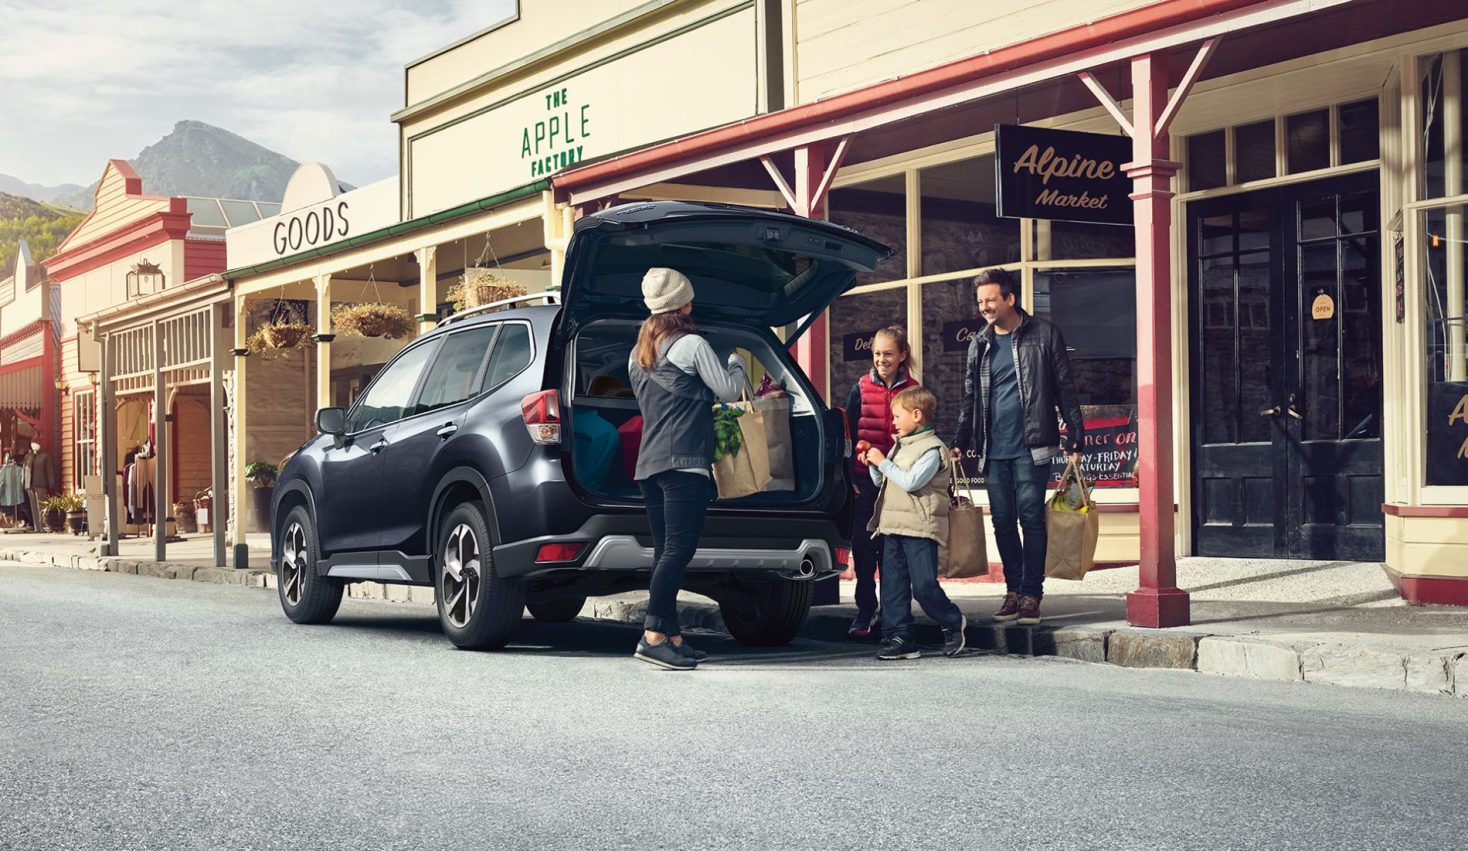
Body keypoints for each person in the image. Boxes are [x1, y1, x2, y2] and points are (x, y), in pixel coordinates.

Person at [627, 267, 747, 670]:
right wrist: (735, 362)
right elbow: (729, 392)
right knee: (678, 551)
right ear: (686, 304)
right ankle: (652, 637)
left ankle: (673, 636)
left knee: (666, 551)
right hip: (685, 465)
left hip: (650, 465)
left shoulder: (637, 353)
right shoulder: (691, 344)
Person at [951, 268, 1083, 625]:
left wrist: (1076, 432)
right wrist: (961, 439)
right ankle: (1012, 592)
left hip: (1033, 445)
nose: (984, 307)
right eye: (980, 302)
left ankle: (1031, 595)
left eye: (991, 300)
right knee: (1004, 523)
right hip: (993, 448)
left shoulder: (1044, 335)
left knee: (1031, 518)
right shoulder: (979, 343)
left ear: (1010, 298)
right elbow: (969, 396)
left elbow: (1064, 388)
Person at [861, 386, 967, 660]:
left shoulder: (932, 449)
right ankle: (899, 637)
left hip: (920, 528)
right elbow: (885, 482)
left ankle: (952, 620)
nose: (893, 422)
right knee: (893, 585)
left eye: (897, 416)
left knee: (923, 586)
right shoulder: (900, 446)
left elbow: (911, 482)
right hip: (892, 524)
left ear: (917, 415)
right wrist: (875, 466)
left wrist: (883, 462)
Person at [842, 326, 919, 638]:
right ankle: (865, 608)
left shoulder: (913, 390)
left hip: (899, 484)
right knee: (863, 549)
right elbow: (848, 435)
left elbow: (923, 436)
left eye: (888, 354)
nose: (881, 359)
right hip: (865, 481)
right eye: (877, 354)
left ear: (902, 356)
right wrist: (849, 476)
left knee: (892, 552)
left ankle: (892, 611)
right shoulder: (860, 387)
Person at [24, 440, 57, 533]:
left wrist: (51, 483)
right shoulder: (28, 456)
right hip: (29, 484)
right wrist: (24, 483)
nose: (34, 445)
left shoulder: (45, 456)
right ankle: (36, 527)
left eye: (36, 443)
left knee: (41, 506)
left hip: (41, 484)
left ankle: (43, 526)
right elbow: (25, 469)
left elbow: (49, 470)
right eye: (32, 443)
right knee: (33, 506)